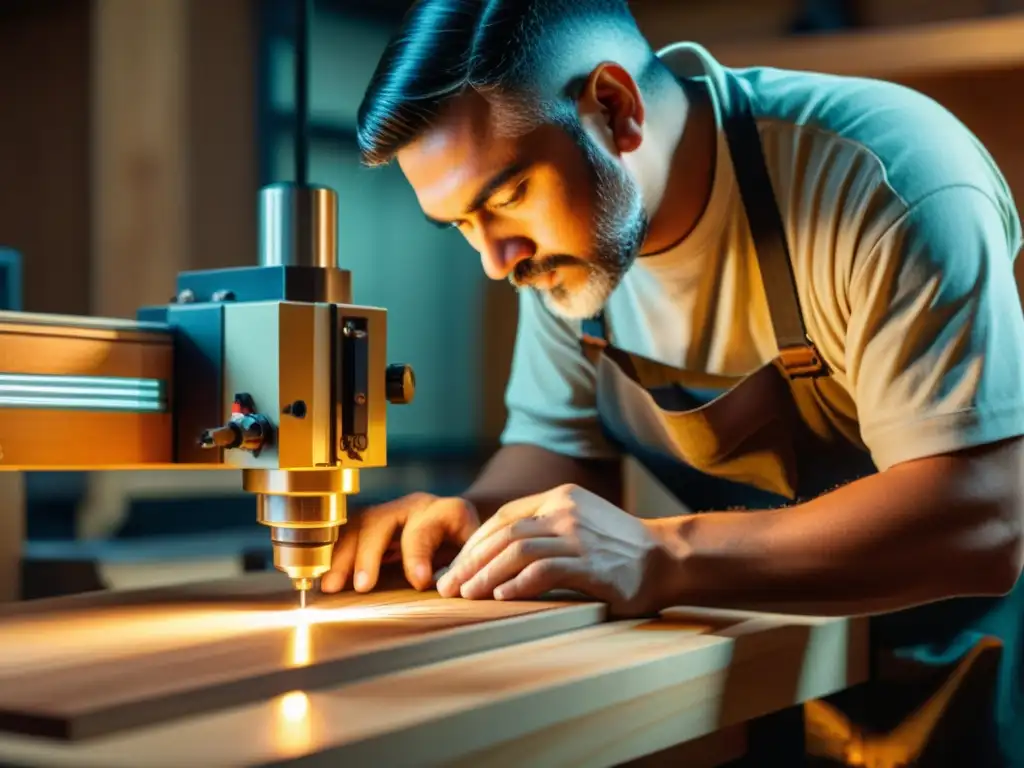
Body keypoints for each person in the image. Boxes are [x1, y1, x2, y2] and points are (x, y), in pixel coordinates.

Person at [321, 0, 1024, 764]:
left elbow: (981, 518)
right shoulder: (572, 258)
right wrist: (469, 520)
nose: (495, 259)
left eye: (506, 195)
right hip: (792, 661)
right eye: (460, 222)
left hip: (988, 656)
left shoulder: (883, 175)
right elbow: (557, 451)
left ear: (615, 110)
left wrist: (668, 555)